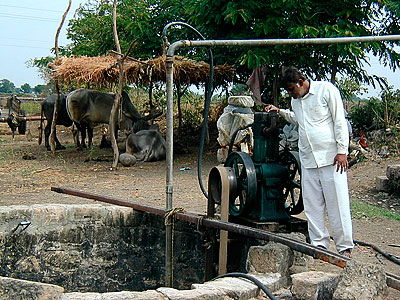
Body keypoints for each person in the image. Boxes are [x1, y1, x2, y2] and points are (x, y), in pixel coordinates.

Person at [266, 66, 354, 258]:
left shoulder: (326, 90)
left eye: (291, 89)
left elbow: (339, 120)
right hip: (308, 159)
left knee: (337, 202)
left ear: (300, 82)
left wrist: (342, 151)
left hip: (331, 157)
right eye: (288, 91)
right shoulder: (295, 101)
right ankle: (319, 244)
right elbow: (297, 119)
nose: (290, 93)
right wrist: (279, 111)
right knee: (312, 203)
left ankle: (344, 247)